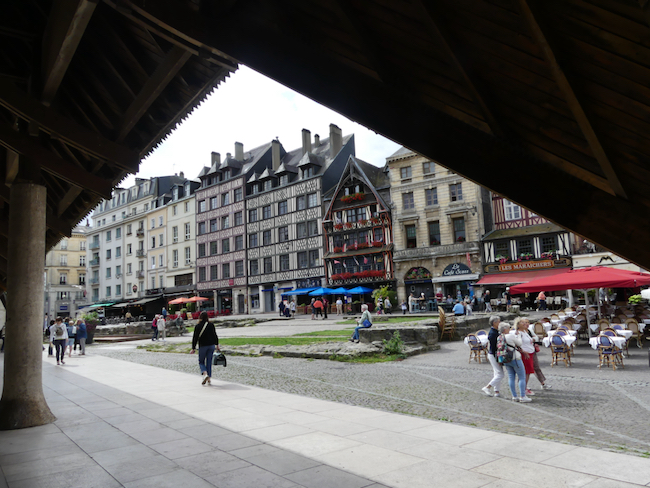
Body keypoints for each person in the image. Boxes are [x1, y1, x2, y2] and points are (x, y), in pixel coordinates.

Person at [519, 317, 551, 393]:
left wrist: (533, 339)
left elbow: (536, 338)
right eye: (525, 322)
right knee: (525, 370)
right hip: (525, 353)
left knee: (536, 367)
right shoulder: (519, 332)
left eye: (527, 322)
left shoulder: (529, 331)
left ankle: (542, 383)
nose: (527, 324)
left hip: (532, 351)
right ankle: (523, 386)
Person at [502, 322, 531, 403]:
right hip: (515, 358)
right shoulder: (510, 336)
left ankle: (514, 396)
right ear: (505, 329)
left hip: (506, 358)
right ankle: (522, 396)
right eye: (508, 328)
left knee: (511, 377)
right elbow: (519, 343)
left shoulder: (499, 337)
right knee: (522, 377)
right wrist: (518, 336)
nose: (509, 329)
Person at [190, 311, 220, 386]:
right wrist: (217, 345)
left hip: (203, 346)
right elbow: (214, 335)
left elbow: (195, 338)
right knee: (209, 362)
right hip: (211, 346)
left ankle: (205, 374)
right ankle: (209, 378)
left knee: (201, 362)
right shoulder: (211, 325)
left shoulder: (198, 326)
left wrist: (193, 348)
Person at [481, 316, 503, 398]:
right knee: (500, 374)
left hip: (493, 354)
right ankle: (487, 387)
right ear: (494, 323)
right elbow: (494, 348)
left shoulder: (496, 331)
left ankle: (497, 391)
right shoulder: (493, 333)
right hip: (493, 354)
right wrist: (498, 359)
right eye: (498, 322)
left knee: (497, 373)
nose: (500, 323)